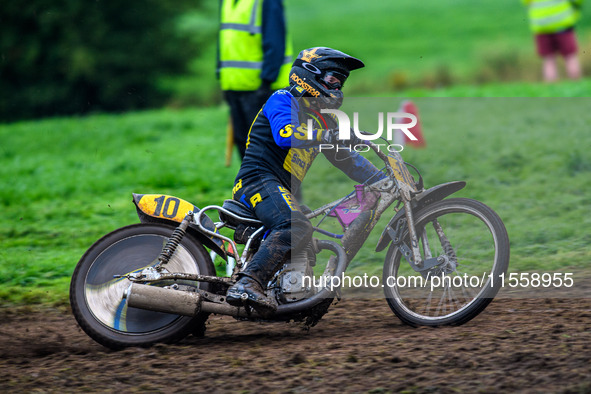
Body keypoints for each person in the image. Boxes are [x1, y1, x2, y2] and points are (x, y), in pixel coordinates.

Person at [225, 47, 387, 315]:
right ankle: (247, 283)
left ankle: (290, 295)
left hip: (277, 188)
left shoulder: (321, 119)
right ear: (310, 75)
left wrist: (387, 180)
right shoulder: (282, 98)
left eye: (341, 82)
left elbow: (349, 161)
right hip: (256, 181)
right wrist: (328, 135)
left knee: (307, 237)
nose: (338, 87)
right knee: (295, 225)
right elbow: (285, 134)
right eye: (334, 79)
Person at [218, 0, 293, 160]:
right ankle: (250, 185)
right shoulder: (227, 2)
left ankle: (280, 185)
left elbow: (275, 43)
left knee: (268, 148)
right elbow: (225, 40)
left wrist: (266, 81)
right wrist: (222, 75)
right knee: (245, 145)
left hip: (262, 88)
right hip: (234, 85)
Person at [522, 0, 584, 81]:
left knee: (548, 59)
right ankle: (577, 84)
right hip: (562, 22)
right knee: (570, 57)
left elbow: (526, 2)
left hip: (541, 25)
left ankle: (551, 88)